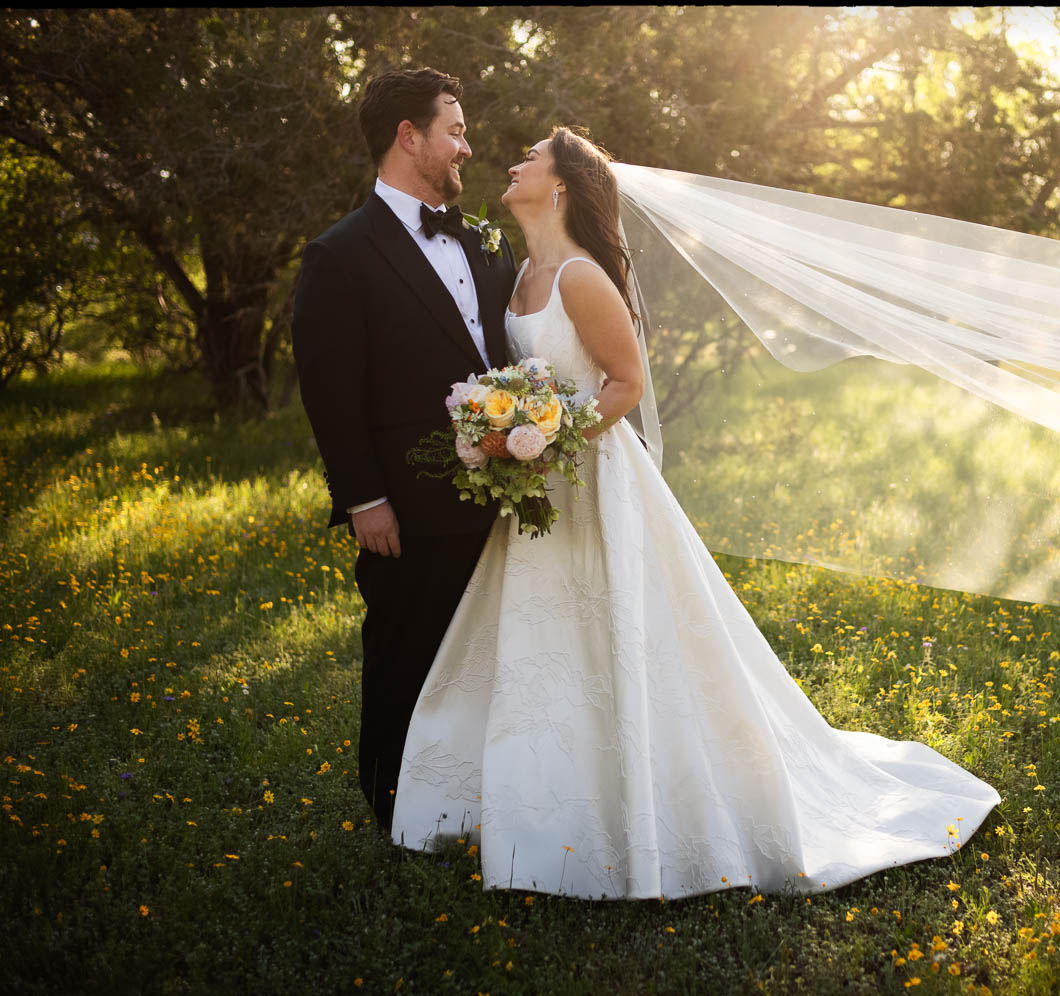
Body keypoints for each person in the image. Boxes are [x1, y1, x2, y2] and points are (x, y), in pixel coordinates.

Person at [391, 127, 1001, 900]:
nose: (511, 165)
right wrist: (507, 433)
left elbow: (625, 383)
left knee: (622, 634)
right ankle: (536, 803)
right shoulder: (520, 276)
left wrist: (545, 437)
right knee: (545, 640)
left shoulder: (579, 276)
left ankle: (643, 805)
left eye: (530, 160)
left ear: (563, 187)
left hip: (590, 478)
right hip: (539, 488)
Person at [291, 68, 518, 832]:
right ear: (408, 137)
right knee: (404, 654)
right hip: (406, 505)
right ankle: (392, 806)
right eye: (454, 129)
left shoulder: (485, 240)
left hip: (503, 490)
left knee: (488, 655)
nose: (467, 144)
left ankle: (479, 799)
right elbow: (331, 390)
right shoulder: (340, 255)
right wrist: (364, 499)